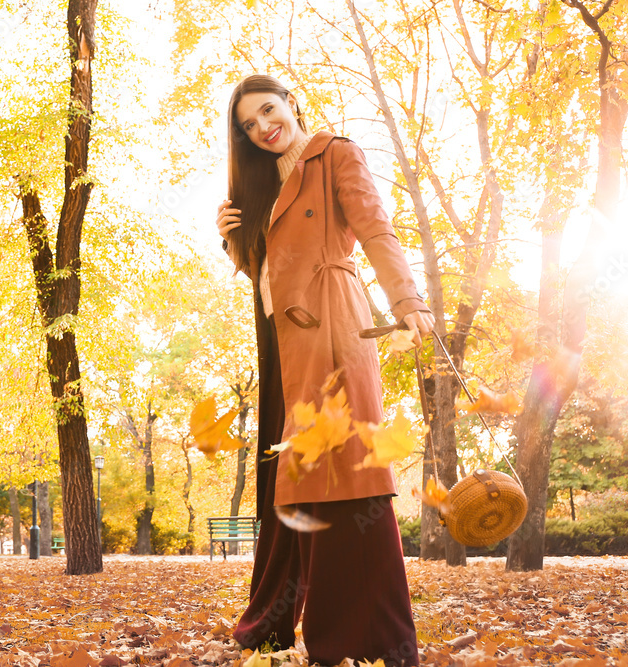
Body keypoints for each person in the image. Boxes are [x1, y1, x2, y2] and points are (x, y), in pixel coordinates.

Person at [215, 74, 434, 667]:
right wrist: (235, 243)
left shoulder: (335, 153)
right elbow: (266, 274)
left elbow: (377, 231)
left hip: (333, 328)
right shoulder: (262, 186)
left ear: (292, 101)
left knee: (344, 474)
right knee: (292, 481)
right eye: (249, 124)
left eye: (268, 110)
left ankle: (364, 640)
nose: (263, 126)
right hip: (279, 341)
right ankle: (272, 620)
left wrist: (408, 303)